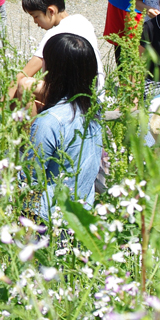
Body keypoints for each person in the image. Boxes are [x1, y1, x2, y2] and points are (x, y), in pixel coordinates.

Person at [27, 33, 102, 218]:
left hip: (49, 219)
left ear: (54, 70)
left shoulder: (49, 122)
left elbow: (31, 177)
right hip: (82, 214)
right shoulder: (94, 109)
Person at [14, 0, 105, 96]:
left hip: (71, 100)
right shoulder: (82, 21)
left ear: (51, 11)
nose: (35, 22)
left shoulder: (54, 35)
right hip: (96, 97)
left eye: (36, 16)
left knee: (24, 85)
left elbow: (23, 75)